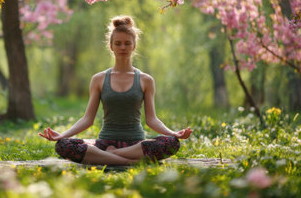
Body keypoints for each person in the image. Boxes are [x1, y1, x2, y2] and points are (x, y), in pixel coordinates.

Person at [39, 15, 193, 165]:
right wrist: (63, 135)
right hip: (105, 142)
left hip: (135, 146)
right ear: (111, 46)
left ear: (134, 45)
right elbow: (88, 119)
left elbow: (151, 120)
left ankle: (110, 157)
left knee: (172, 143)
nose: (123, 47)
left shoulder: (146, 80)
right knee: (63, 145)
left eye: (127, 43)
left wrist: (173, 133)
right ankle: (129, 162)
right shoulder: (99, 79)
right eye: (118, 43)